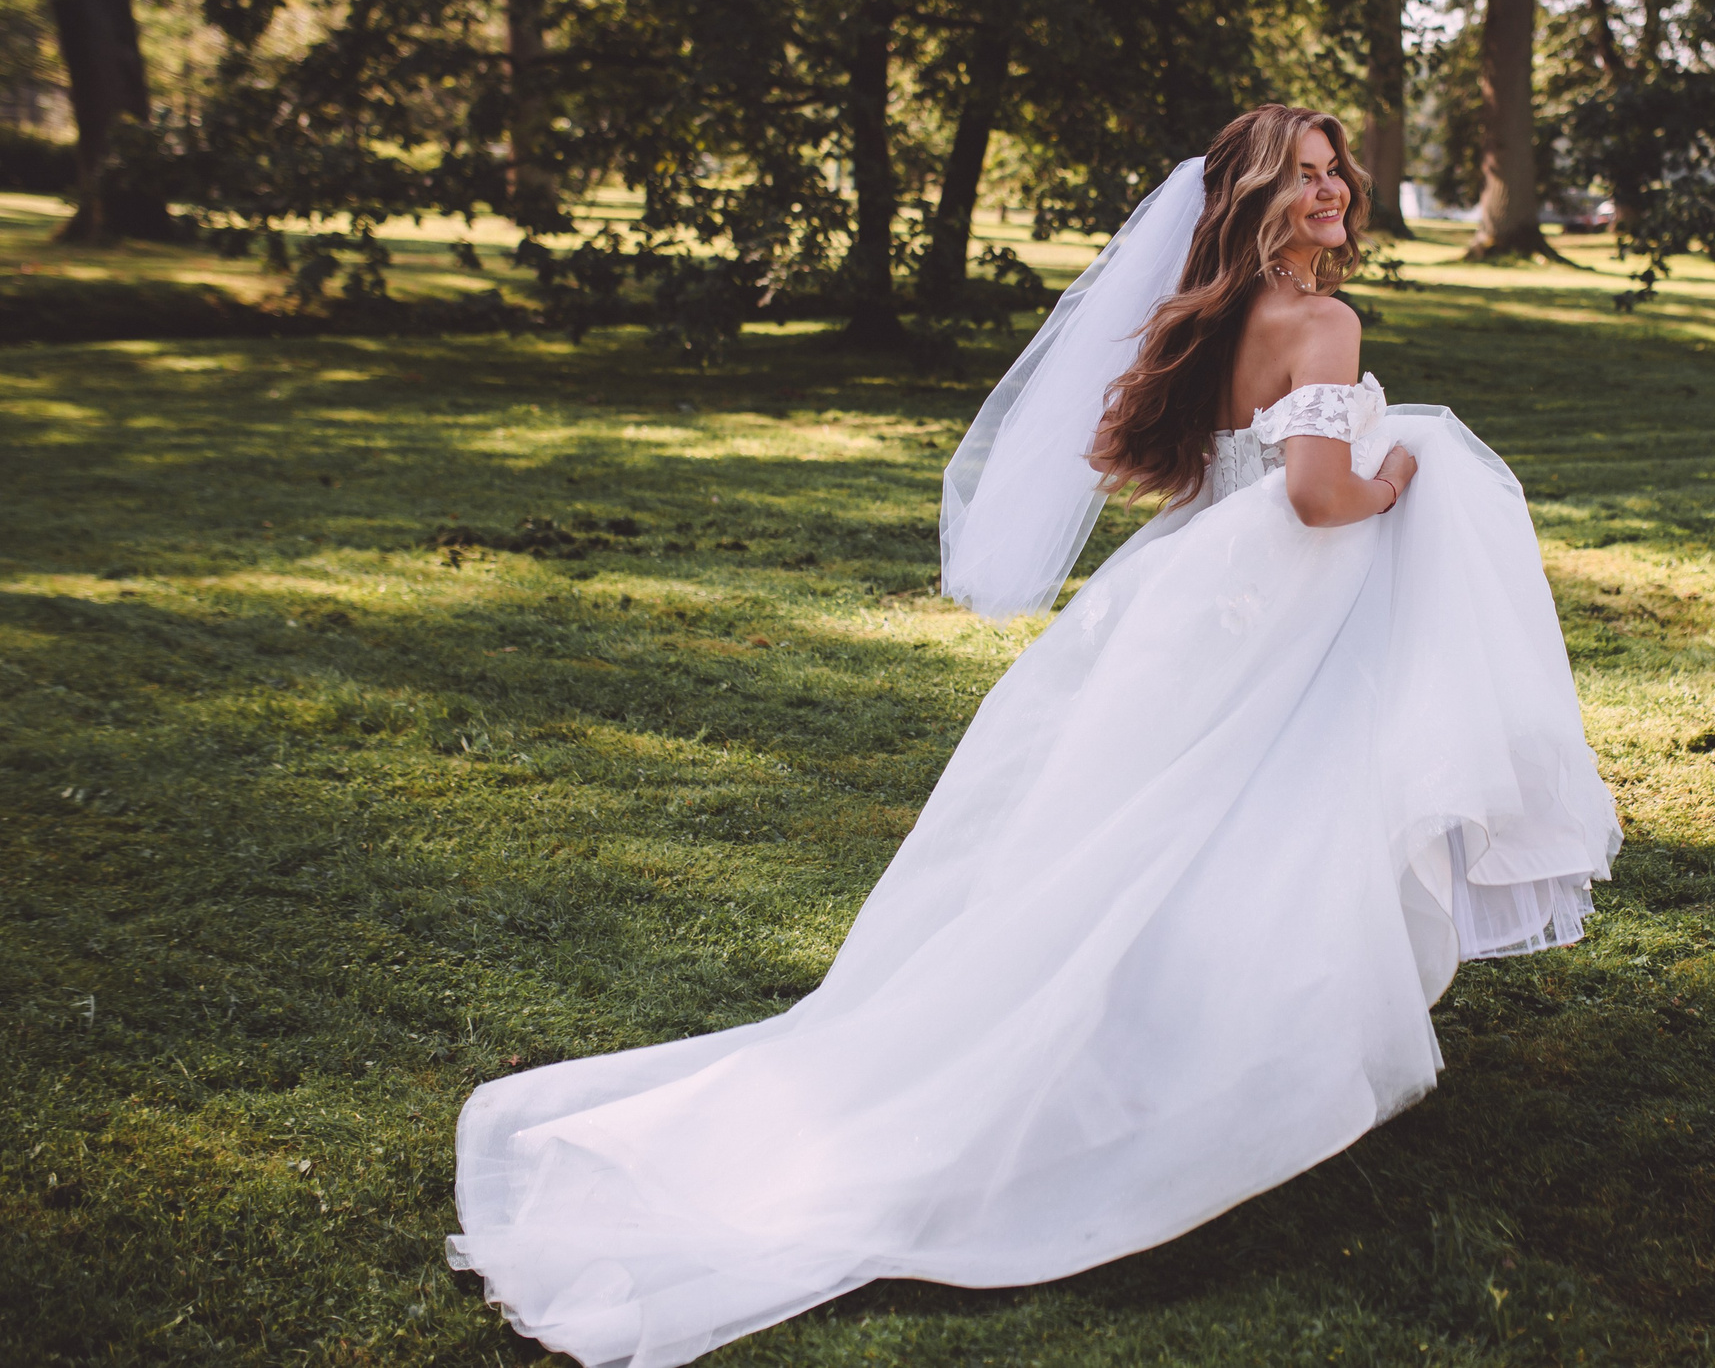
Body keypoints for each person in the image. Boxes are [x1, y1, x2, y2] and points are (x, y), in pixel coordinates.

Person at [446, 104, 1621, 1368]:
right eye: (1306, 177)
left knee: (1128, 843)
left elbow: (1213, 467)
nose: (1335, 192)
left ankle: (1101, 1043)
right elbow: (1320, 495)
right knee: (1251, 829)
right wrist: (1407, 475)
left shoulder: (1213, 313)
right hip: (1275, 610)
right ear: (1256, 198)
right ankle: (1182, 1072)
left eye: (1339, 172)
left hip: (1194, 603)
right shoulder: (1322, 321)